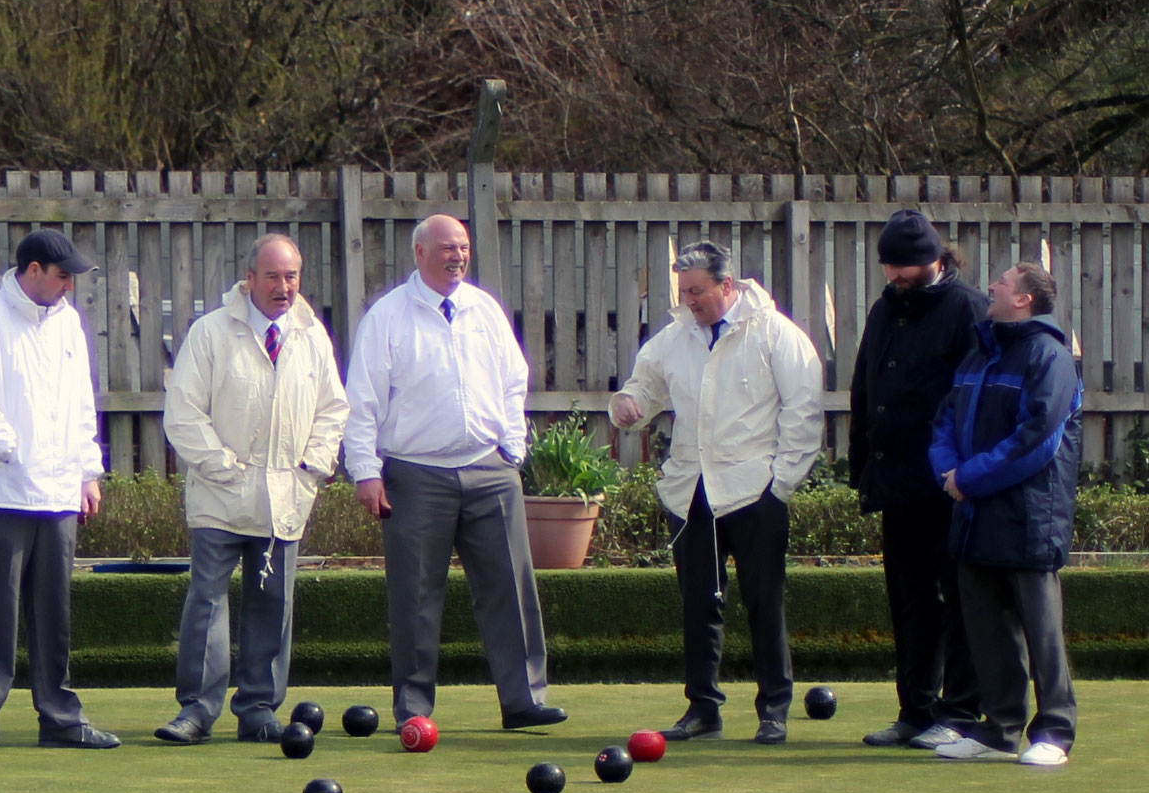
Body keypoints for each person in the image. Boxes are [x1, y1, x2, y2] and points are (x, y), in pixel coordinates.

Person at [342, 213, 566, 732]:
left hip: (490, 471)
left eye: (463, 247)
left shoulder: (483, 309)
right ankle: (414, 710)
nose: (457, 256)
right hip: (415, 475)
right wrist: (365, 471)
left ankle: (524, 701)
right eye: (447, 247)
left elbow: (515, 380)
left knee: (511, 588)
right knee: (416, 596)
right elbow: (363, 401)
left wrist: (512, 445)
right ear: (419, 253)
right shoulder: (388, 317)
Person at [608, 243, 826, 743]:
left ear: (727, 286)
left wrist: (781, 483)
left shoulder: (776, 334)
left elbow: (804, 411)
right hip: (692, 491)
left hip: (756, 491)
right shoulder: (675, 337)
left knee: (764, 601)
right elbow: (645, 388)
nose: (690, 301)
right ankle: (703, 709)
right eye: (684, 292)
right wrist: (627, 405)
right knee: (700, 605)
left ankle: (774, 711)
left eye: (698, 291)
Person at [155, 233, 347, 744]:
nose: (284, 287)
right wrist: (224, 468)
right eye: (273, 276)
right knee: (207, 603)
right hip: (220, 496)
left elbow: (333, 409)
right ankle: (196, 711)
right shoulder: (211, 332)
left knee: (271, 606)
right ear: (250, 279)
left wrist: (313, 465)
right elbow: (183, 413)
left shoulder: (312, 336)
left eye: (292, 276)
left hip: (284, 498)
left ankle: (259, 708)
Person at [0, 228, 117, 752]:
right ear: (32, 270)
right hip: (2, 490)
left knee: (54, 611)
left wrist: (87, 470)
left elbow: (81, 405)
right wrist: (17, 451)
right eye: (62, 276)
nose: (69, 287)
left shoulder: (69, 325)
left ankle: (60, 717)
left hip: (59, 493)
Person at [922, 263, 1080, 766]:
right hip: (974, 516)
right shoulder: (979, 352)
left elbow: (1037, 441)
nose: (991, 287)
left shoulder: (1049, 356)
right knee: (987, 630)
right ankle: (1000, 730)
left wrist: (967, 479)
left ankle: (1054, 731)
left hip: (1030, 517)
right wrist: (949, 471)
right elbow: (945, 420)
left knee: (1041, 630)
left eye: (1004, 284)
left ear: (1025, 300)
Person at [847, 209, 986, 746]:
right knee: (909, 600)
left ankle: (959, 713)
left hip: (948, 485)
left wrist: (963, 472)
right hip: (897, 483)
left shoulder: (967, 309)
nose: (896, 276)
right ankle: (915, 711)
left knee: (957, 600)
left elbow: (973, 401)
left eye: (905, 267)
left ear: (934, 260)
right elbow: (865, 389)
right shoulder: (886, 309)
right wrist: (863, 465)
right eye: (889, 267)